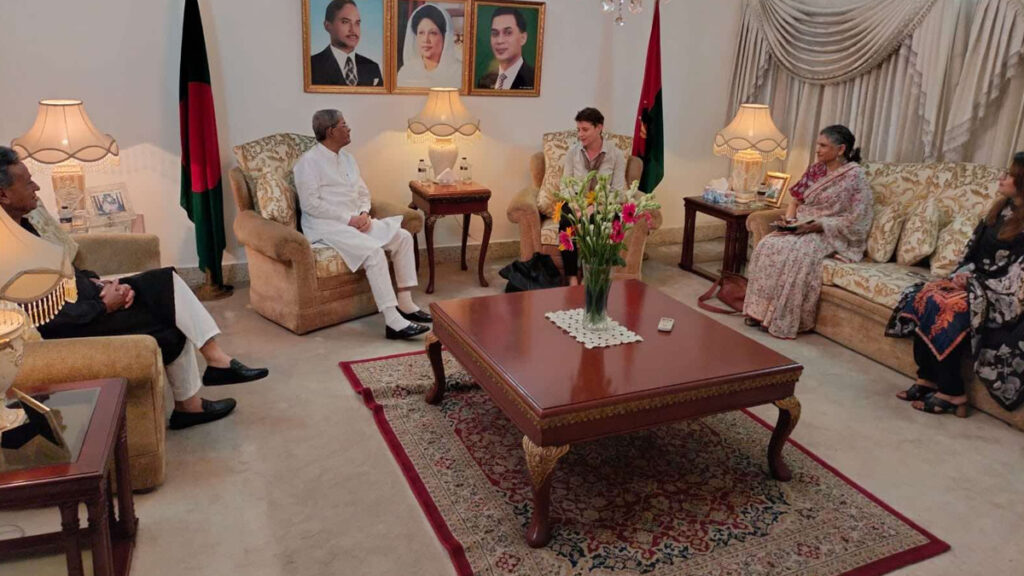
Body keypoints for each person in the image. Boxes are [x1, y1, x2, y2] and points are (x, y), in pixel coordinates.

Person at [0, 147, 268, 430]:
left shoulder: (24, 228)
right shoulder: (7, 254)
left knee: (164, 283)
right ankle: (197, 393)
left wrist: (100, 283)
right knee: (167, 312)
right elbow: (44, 318)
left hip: (89, 299)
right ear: (3, 195)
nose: (37, 187)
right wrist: (104, 305)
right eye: (28, 182)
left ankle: (209, 371)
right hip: (78, 323)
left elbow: (66, 270)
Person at [886, 152, 1024, 416]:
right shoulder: (1000, 209)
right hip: (974, 283)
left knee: (949, 308)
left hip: (1001, 296)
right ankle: (927, 377)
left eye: (1009, 174)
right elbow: (970, 253)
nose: (1001, 177)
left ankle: (953, 391)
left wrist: (973, 284)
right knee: (923, 294)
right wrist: (962, 274)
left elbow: (1016, 281)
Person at [293, 109, 431, 340]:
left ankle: (405, 304)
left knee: (403, 237)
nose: (349, 129)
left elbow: (362, 192)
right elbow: (310, 205)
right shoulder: (308, 163)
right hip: (326, 226)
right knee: (373, 252)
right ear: (331, 131)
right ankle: (393, 322)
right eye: (344, 125)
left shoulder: (348, 158)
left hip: (356, 221)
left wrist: (364, 213)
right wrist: (349, 220)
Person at [742, 125, 873, 339]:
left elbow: (859, 218)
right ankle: (758, 312)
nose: (817, 150)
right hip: (802, 224)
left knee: (798, 254)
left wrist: (818, 225)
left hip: (830, 231)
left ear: (841, 149)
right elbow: (796, 200)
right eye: (818, 144)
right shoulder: (816, 170)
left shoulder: (855, 177)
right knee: (769, 244)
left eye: (823, 146)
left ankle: (781, 318)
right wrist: (790, 220)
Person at [551, 107, 627, 284]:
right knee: (565, 222)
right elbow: (565, 185)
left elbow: (618, 192)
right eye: (578, 129)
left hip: (603, 205)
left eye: (585, 130)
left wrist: (595, 207)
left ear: (599, 127)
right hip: (577, 202)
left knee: (599, 222)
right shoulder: (573, 153)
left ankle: (590, 276)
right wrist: (577, 206)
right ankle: (572, 278)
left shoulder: (616, 155)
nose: (580, 134)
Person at [310, 0, 384, 87]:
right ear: (328, 26)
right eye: (345, 22)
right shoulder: (312, 65)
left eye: (357, 23)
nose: (353, 30)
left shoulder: (372, 67)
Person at [396, 3, 462, 88]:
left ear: (445, 37)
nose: (426, 40)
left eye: (433, 33)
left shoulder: (459, 72)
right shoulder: (406, 72)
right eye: (421, 33)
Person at [476, 7, 534, 90]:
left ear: (523, 38)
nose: (500, 41)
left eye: (508, 33)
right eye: (495, 33)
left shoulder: (533, 79)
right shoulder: (484, 82)